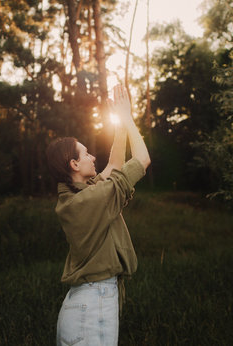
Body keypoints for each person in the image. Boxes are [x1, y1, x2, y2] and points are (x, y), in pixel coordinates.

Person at [46, 84, 151, 346]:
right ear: (74, 164)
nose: (93, 157)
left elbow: (115, 165)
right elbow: (142, 159)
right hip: (93, 307)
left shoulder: (79, 197)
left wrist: (120, 126)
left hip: (83, 304)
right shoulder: (92, 200)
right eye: (86, 154)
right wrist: (128, 118)